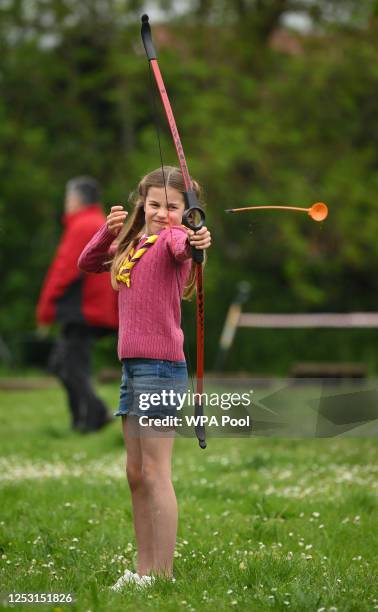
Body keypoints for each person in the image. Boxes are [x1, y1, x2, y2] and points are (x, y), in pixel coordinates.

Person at [78, 166, 211, 587]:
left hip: (160, 369)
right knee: (135, 473)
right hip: (133, 369)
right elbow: (89, 262)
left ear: (187, 210)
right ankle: (142, 571)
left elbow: (184, 247)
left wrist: (196, 237)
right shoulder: (137, 242)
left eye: (173, 206)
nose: (161, 213)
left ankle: (162, 573)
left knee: (155, 472)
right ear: (143, 204)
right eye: (154, 204)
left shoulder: (173, 240)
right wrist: (107, 231)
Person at [36, 176, 118, 433]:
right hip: (97, 308)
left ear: (75, 199)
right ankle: (81, 420)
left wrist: (45, 308)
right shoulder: (99, 221)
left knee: (70, 367)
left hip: (82, 308)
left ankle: (95, 415)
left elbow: (63, 270)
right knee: (63, 365)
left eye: (67, 199)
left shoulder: (82, 225)